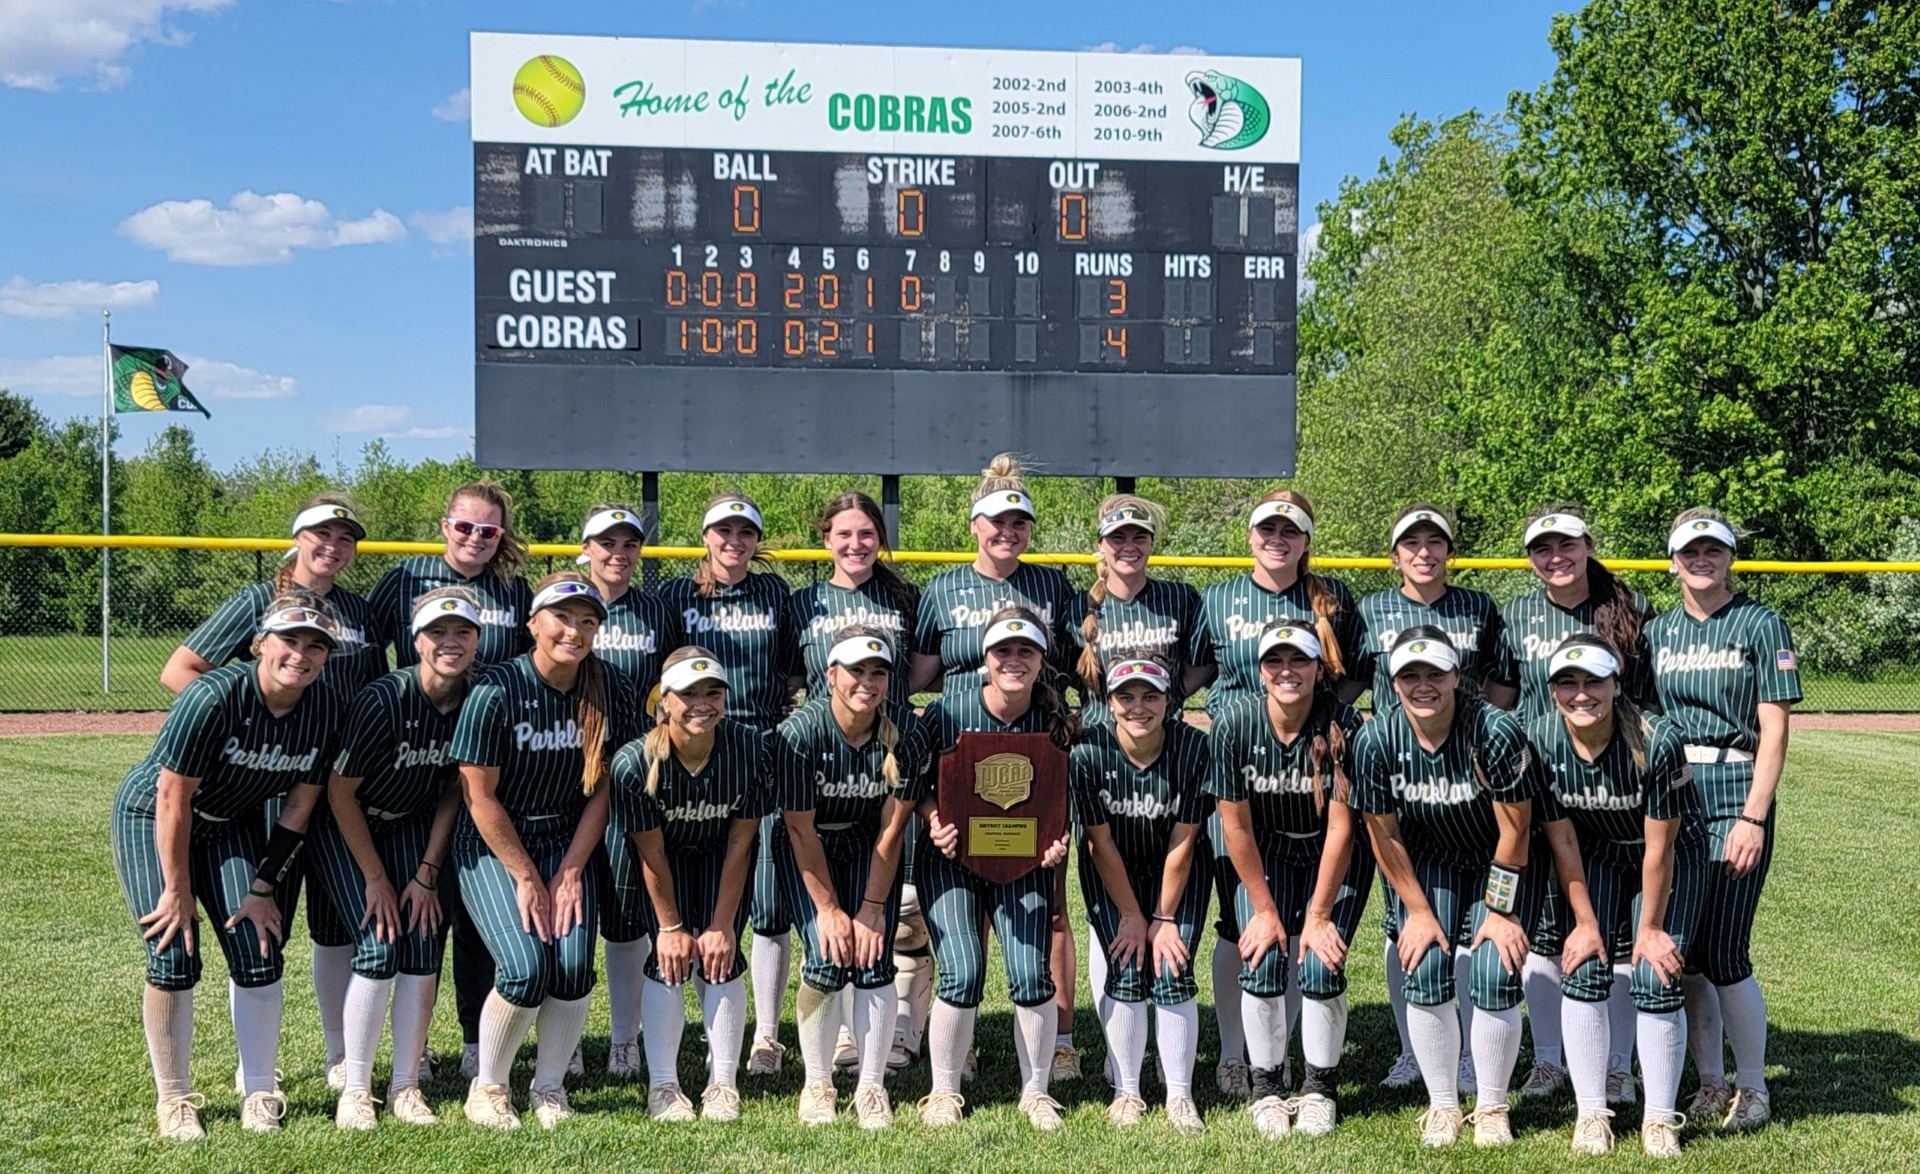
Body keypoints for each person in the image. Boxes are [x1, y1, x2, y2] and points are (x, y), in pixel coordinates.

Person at [160, 495, 380, 1089]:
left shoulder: (358, 611)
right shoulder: (259, 601)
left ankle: (339, 1054)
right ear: (297, 537)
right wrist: (239, 745)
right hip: (260, 789)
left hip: (327, 787)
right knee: (260, 920)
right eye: (320, 534)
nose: (332, 547)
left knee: (334, 921)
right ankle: (252, 1067)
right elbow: (180, 671)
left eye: (344, 538)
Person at [113, 593, 347, 1138]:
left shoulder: (327, 708)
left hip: (229, 823)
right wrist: (177, 890)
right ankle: (174, 1098)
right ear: (260, 643)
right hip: (154, 814)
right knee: (173, 952)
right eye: (289, 640)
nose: (301, 654)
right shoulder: (215, 696)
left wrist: (262, 887)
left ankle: (260, 1090)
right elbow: (173, 798)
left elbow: (299, 805)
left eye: (316, 645)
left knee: (258, 948)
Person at [910, 455, 1081, 1080]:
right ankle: (963, 1038)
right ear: (975, 525)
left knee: (1046, 903)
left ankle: (1058, 1039)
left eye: (1019, 522)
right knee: (966, 908)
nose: (1008, 531)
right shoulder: (945, 588)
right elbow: (920, 675)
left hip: (1035, 748)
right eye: (997, 521)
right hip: (961, 753)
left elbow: (1079, 664)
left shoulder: (1051, 586)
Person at [1188, 489, 1362, 1096]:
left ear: (1307, 540)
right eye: (1267, 528)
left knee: (1299, 926)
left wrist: (1323, 728)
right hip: (1239, 773)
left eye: (1291, 530)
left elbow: (1356, 673)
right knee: (1240, 926)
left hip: (1305, 765)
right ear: (1250, 535)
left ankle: (1290, 1059)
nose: (1277, 538)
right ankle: (1237, 1055)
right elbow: (1191, 674)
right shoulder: (1218, 598)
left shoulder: (1333, 600)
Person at [449, 573, 633, 1131]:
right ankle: (489, 1088)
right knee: (526, 968)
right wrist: (527, 877)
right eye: (562, 617)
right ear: (533, 623)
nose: (574, 631)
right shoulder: (496, 689)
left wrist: (573, 869)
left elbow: (605, 789)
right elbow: (478, 797)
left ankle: (548, 1086)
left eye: (588, 620)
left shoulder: (611, 686)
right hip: (496, 843)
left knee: (574, 968)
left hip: (565, 840)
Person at [1487, 509, 1659, 1105]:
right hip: (1542, 781)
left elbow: (1646, 699)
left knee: (1612, 937)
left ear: (1588, 546)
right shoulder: (1517, 615)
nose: (1555, 555)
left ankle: (1616, 1064)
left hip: (1612, 787)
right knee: (1543, 931)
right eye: (1542, 547)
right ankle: (1549, 1059)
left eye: (1566, 543)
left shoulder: (1627, 608)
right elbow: (1501, 700)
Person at [368, 480, 535, 1079]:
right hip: (420, 757)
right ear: (445, 526)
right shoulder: (405, 578)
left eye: (489, 531)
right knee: (419, 909)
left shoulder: (514, 590)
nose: (475, 539)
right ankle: (385, 1054)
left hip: (495, 761)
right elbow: (367, 655)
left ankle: (472, 1038)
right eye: (465, 527)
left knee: (473, 916)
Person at [1352, 627, 1540, 1148]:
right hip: (1426, 859)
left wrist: (1500, 912)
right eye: (1410, 675)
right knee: (1426, 960)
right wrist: (1417, 911)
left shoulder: (1494, 730)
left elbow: (1516, 829)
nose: (1423, 685)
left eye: (1435, 672)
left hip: (1494, 859)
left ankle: (1492, 1105)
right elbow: (1383, 833)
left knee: (1495, 967)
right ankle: (1442, 1105)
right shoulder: (1376, 739)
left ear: (1458, 675)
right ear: (1391, 683)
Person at [1645, 510, 1798, 1133]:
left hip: (1735, 784)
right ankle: (1709, 1083)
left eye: (1713, 549)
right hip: (1676, 790)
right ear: (1673, 559)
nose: (1700, 559)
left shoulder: (1760, 623)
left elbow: (1775, 727)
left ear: (1730, 556)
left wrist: (1753, 817)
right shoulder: (1657, 630)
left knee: (1728, 949)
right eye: (1690, 550)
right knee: (1688, 953)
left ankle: (1753, 1087)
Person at [1533, 634, 1706, 1158]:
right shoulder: (1540, 737)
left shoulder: (1657, 739)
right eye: (1567, 681)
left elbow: (1661, 845)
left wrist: (1649, 930)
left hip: (1672, 856)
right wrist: (1585, 922)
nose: (1580, 694)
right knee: (1583, 967)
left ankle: (1659, 1119)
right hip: (1598, 854)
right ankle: (1591, 1113)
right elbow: (1562, 838)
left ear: (1616, 684)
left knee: (1656, 972)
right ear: (1552, 689)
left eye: (1593, 681)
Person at [315, 587, 481, 1129]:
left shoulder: (475, 696)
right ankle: (357, 1088)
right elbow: (340, 792)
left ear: (478, 640)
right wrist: (377, 879)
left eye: (462, 632)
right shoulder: (385, 697)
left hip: (414, 822)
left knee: (424, 937)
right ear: (415, 641)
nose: (450, 643)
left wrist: (428, 873)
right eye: (438, 632)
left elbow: (457, 789)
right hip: (350, 824)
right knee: (380, 939)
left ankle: (406, 1085)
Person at [1357, 505, 1505, 1092]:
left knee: (1469, 930)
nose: (1423, 551)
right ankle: (1413, 1050)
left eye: (1434, 541)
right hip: (1400, 775)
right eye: (1411, 542)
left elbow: (1501, 680)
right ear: (1394, 554)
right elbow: (1346, 679)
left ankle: (1468, 1052)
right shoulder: (1370, 609)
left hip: (1463, 772)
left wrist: (1478, 728)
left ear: (1449, 550)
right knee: (1406, 925)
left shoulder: (1477, 607)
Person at [912, 607, 1078, 1130]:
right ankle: (943, 1089)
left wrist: (1058, 842)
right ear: (984, 658)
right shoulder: (947, 712)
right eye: (1003, 651)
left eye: (1024, 651)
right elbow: (911, 784)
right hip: (953, 858)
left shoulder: (1055, 721)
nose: (1013, 661)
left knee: (1032, 973)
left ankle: (1036, 1091)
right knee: (962, 969)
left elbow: (1062, 799)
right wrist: (934, 818)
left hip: (1024, 860)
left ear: (1041, 660)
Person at [661, 493, 803, 1077]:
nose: (733, 541)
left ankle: (765, 1035)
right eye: (723, 530)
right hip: (690, 751)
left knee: (764, 898)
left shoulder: (775, 594)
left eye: (745, 532)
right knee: (685, 891)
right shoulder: (676, 594)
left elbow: (794, 668)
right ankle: (684, 1027)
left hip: (757, 752)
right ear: (706, 535)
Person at [1207, 623, 1366, 1138]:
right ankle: (1267, 1087)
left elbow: (1343, 826)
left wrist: (1318, 916)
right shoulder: (1235, 723)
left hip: (1331, 853)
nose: (1287, 671)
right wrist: (1266, 910)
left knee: (1321, 963)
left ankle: (1320, 1088)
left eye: (1299, 661)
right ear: (1260, 670)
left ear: (1319, 669)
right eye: (1275, 661)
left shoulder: (1344, 723)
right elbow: (1236, 826)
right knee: (1261, 955)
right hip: (1267, 849)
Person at [790, 491, 925, 1072]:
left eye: (866, 533)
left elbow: (922, 668)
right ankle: (816, 1042)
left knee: (899, 915)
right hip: (822, 764)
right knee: (812, 924)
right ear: (826, 539)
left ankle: (900, 1034)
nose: (855, 544)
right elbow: (786, 672)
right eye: (843, 534)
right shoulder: (803, 603)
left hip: (885, 757)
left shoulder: (905, 598)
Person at [774, 628, 928, 1128]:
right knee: (825, 957)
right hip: (809, 846)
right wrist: (829, 910)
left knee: (873, 957)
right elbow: (799, 829)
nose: (867, 681)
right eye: (856, 670)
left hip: (867, 844)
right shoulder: (800, 734)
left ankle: (871, 1085)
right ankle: (817, 1082)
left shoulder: (905, 730)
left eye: (877, 671)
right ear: (831, 675)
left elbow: (891, 830)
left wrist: (870, 908)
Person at [612, 648, 768, 1124]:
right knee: (669, 961)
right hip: (664, 860)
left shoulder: (749, 748)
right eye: (688, 694)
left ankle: (723, 1082)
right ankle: (664, 1085)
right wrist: (671, 926)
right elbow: (652, 853)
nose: (702, 703)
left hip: (722, 854)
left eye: (712, 692)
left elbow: (742, 841)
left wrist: (722, 924)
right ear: (664, 702)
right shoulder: (634, 763)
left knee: (723, 958)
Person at [1072, 654, 1209, 1133]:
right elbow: (1099, 841)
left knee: (1172, 965)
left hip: (1177, 866)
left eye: (1150, 695)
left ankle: (1179, 1095)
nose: (1138, 706)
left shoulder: (1193, 748)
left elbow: (1185, 838)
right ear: (1108, 703)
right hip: (1114, 869)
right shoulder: (1087, 751)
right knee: (1126, 965)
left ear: (1169, 699)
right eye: (1125, 696)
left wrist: (1164, 918)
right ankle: (1127, 1090)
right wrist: (1132, 915)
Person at [576, 503, 681, 1079]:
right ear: (586, 547)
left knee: (622, 911)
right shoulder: (568, 600)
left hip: (631, 772)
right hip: (564, 771)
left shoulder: (654, 610)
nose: (618, 553)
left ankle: (623, 1038)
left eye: (629, 544)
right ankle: (564, 1040)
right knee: (569, 914)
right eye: (607, 543)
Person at [1069, 493, 1206, 724]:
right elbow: (1066, 671)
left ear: (1151, 543)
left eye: (1139, 537)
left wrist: (1172, 696)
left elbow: (1202, 663)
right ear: (1100, 544)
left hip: (1164, 736)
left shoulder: (1180, 598)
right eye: (1118, 538)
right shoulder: (1078, 608)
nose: (1129, 547)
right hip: (1100, 739)